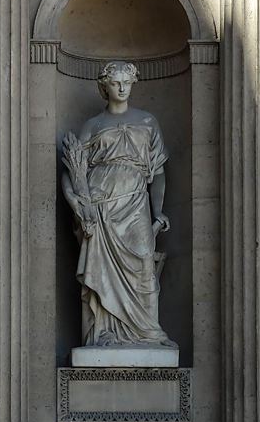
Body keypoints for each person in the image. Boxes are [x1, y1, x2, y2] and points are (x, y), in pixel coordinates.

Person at [62, 61, 177, 350]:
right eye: (116, 82)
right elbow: (72, 169)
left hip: (136, 205)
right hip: (101, 208)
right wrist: (76, 201)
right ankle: (103, 333)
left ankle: (146, 332)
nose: (122, 87)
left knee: (142, 263)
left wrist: (158, 209)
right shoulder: (93, 126)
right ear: (105, 86)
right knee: (101, 271)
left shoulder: (148, 122)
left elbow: (158, 173)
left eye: (127, 82)